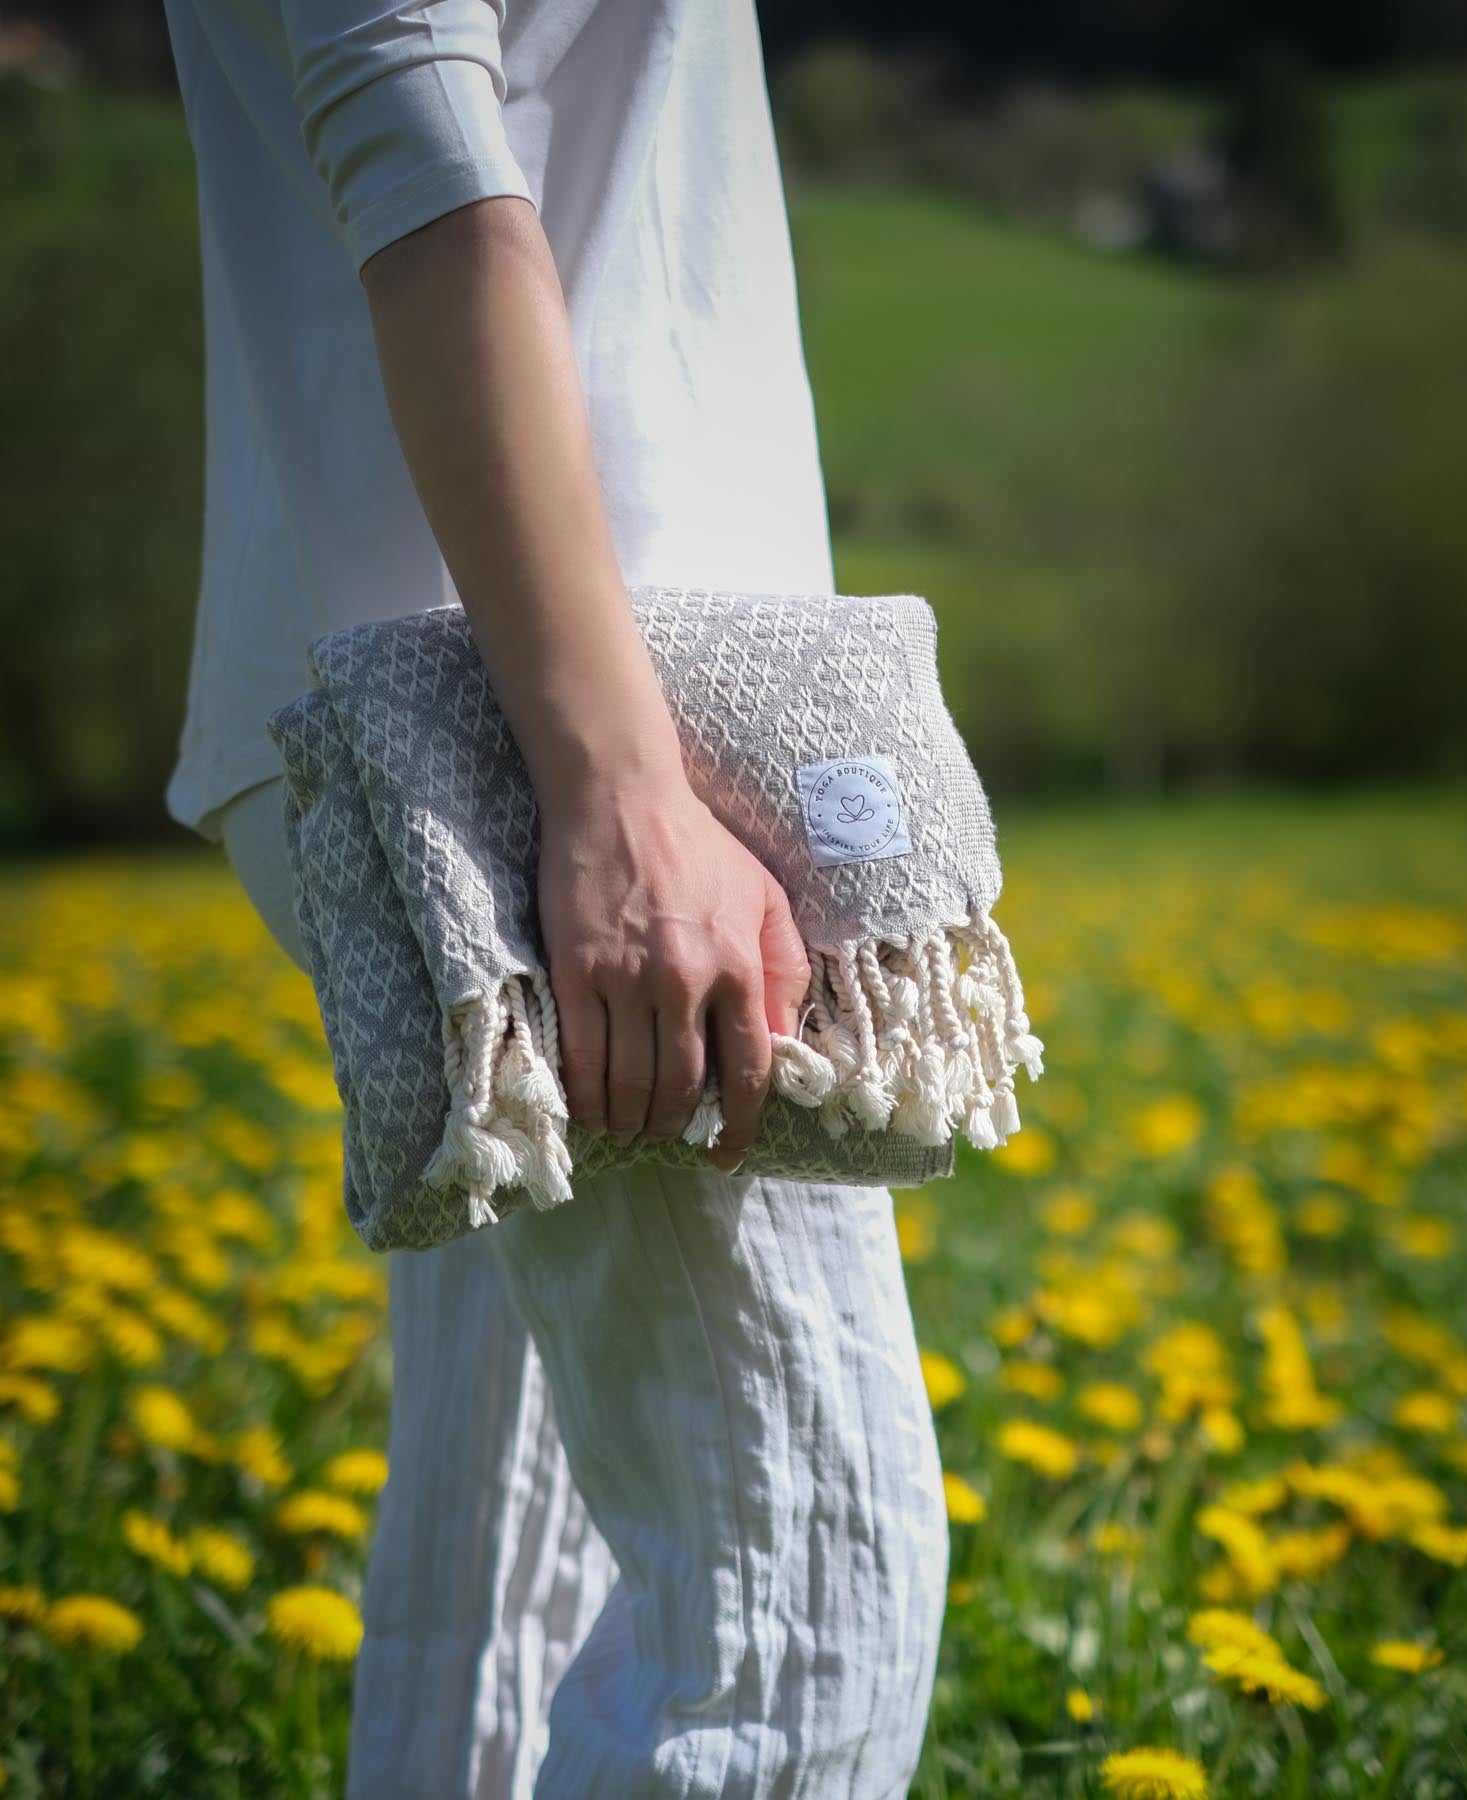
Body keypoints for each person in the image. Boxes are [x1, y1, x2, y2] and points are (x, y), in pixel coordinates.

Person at [158, 0, 950, 1791]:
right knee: (792, 1609)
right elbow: (425, 170)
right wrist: (612, 785)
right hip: (549, 727)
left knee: (505, 1578)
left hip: (482, 705)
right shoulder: (589, 774)